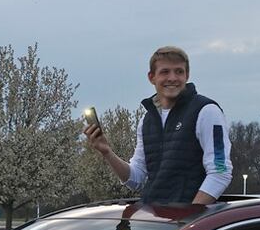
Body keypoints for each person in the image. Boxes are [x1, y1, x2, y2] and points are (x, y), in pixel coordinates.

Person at [85, 46, 232, 205]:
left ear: (187, 75)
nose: (172, 78)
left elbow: (220, 172)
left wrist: (189, 217)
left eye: (179, 71)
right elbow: (137, 179)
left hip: (190, 226)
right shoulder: (147, 121)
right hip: (155, 223)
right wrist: (107, 152)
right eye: (165, 72)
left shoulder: (208, 112)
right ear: (151, 77)